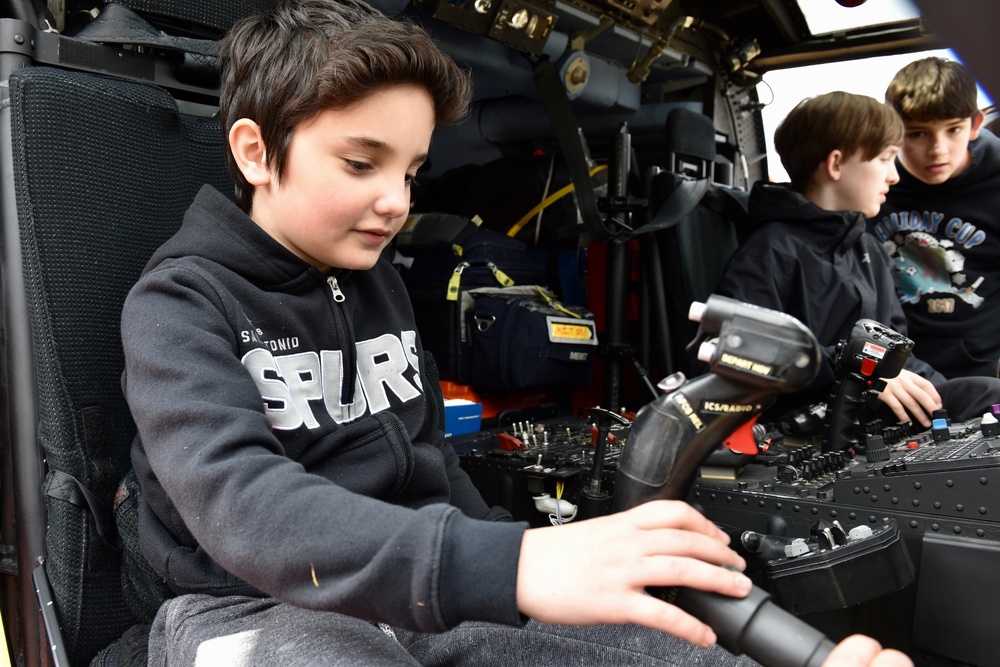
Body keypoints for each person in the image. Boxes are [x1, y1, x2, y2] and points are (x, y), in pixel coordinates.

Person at [120, 2, 913, 665]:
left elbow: (433, 464)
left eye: (410, 171)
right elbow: (247, 508)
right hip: (243, 605)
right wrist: (510, 563)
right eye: (363, 165)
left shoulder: (380, 282)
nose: (397, 201)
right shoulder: (180, 303)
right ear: (257, 152)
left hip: (425, 592)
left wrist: (523, 565)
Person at [715, 91, 1000, 430]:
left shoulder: (870, 250)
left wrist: (934, 393)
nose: (894, 176)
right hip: (812, 421)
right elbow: (738, 355)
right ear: (836, 164)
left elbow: (897, 351)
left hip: (874, 406)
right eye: (884, 159)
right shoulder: (772, 252)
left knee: (986, 396)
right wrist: (858, 366)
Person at [867, 57, 1000, 379]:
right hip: (890, 368)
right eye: (918, 134)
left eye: (953, 129)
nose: (938, 150)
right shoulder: (869, 179)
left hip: (985, 366)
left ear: (976, 124)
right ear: (894, 131)